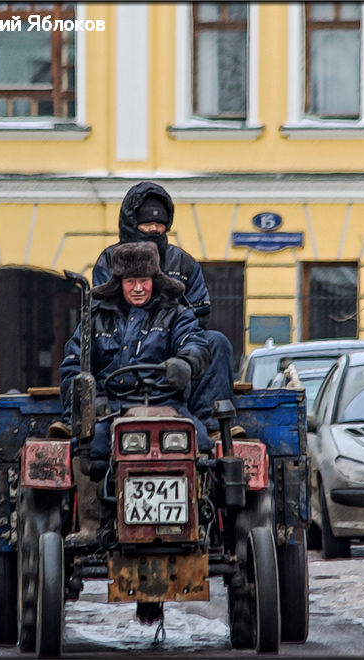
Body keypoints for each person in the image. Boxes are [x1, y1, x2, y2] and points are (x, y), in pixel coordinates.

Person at [57, 241, 212, 545]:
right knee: (87, 443)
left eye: (144, 280)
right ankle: (92, 524)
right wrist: (92, 401)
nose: (138, 288)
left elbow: (196, 344)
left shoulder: (176, 314)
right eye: (131, 281)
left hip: (167, 406)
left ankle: (199, 518)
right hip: (111, 409)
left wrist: (186, 362)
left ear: (155, 281)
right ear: (119, 284)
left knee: (202, 442)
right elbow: (72, 365)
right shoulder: (95, 318)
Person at [92, 181, 234, 434]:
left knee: (216, 342)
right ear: (131, 223)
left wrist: (170, 329)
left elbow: (201, 314)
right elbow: (103, 306)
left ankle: (211, 425)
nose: (154, 230)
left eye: (160, 225)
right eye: (147, 224)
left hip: (175, 344)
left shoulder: (183, 262)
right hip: (123, 343)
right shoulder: (109, 259)